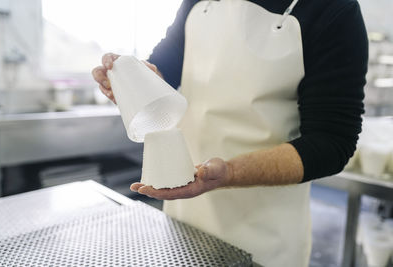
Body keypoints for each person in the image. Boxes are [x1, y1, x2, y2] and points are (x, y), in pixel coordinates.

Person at [92, 0, 368, 265]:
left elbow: (332, 142)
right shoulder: (198, 3)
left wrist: (229, 173)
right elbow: (165, 69)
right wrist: (133, 82)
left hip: (265, 233)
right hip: (183, 219)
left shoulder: (333, 10)